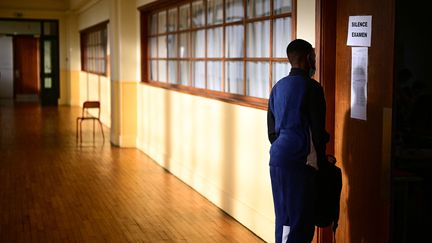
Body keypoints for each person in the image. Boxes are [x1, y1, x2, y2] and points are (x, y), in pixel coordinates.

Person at [267, 39, 329, 243]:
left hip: (277, 158)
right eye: (314, 56)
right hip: (300, 160)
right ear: (306, 58)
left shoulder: (277, 88)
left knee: (284, 218)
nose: (315, 61)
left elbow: (271, 133)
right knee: (300, 222)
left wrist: (284, 146)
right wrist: (323, 163)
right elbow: (317, 133)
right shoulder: (312, 88)